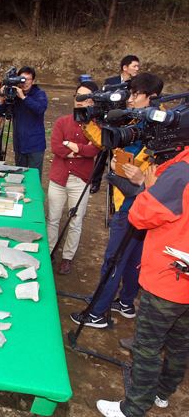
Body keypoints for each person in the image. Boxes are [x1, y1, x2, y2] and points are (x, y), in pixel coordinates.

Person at [96, 145, 189, 417]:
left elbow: (140, 216)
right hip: (184, 279)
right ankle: (163, 392)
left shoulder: (181, 172)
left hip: (167, 279)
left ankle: (134, 407)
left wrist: (149, 188)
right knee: (180, 343)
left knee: (147, 346)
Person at [70, 73, 163, 329]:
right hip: (141, 201)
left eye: (135, 95)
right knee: (134, 256)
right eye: (130, 93)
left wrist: (129, 170)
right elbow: (107, 141)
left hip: (133, 201)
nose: (130, 99)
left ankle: (97, 312)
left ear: (151, 97)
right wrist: (90, 120)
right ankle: (125, 301)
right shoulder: (141, 119)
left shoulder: (156, 127)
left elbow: (151, 164)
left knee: (114, 258)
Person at [47, 81, 101, 275]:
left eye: (86, 98)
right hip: (59, 178)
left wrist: (71, 145)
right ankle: (49, 252)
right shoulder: (62, 121)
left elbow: (95, 149)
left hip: (80, 180)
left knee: (76, 220)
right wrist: (80, 150)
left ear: (93, 101)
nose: (80, 101)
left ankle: (67, 257)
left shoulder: (96, 126)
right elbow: (56, 147)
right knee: (53, 218)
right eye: (78, 96)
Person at [90, 55, 140, 194]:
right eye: (134, 66)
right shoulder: (111, 82)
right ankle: (95, 182)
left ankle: (116, 186)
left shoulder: (138, 84)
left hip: (127, 126)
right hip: (109, 123)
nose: (137, 69)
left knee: (119, 157)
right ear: (125, 67)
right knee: (102, 155)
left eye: (138, 66)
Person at [0, 66, 48, 179]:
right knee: (20, 176)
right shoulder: (13, 93)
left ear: (33, 81)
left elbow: (40, 109)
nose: (24, 82)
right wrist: (1, 98)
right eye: (22, 79)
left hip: (35, 144)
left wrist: (23, 97)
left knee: (34, 177)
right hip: (19, 143)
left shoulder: (39, 94)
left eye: (28, 79)